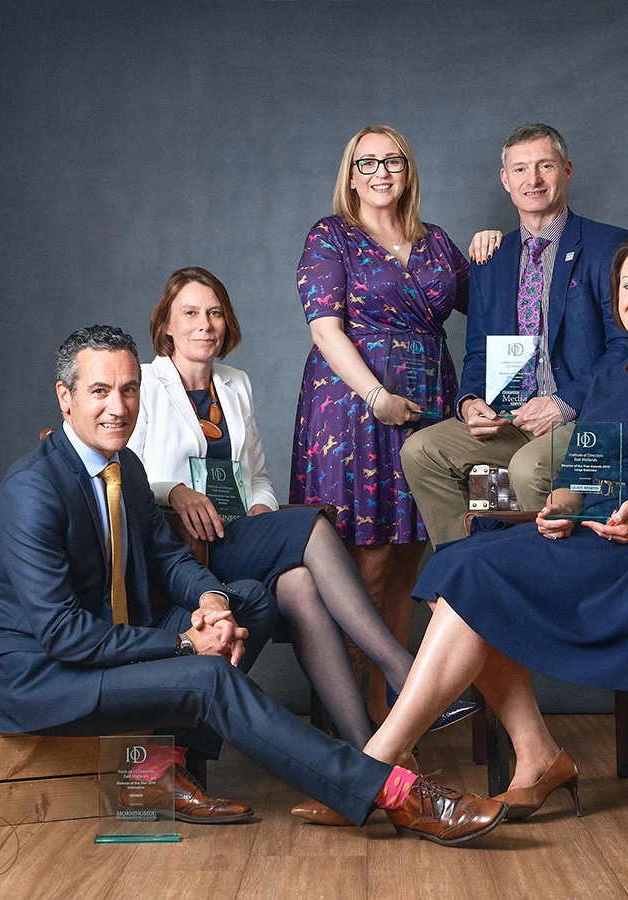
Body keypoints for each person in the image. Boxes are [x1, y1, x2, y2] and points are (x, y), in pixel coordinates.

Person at [0, 325, 507, 844]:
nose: (119, 406)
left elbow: (165, 558)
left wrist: (211, 602)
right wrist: (186, 642)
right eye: (99, 391)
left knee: (247, 600)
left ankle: (164, 767)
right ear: (65, 398)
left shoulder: (125, 469)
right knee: (209, 678)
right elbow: (64, 635)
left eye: (129, 389)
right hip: (43, 677)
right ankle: (394, 792)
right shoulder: (32, 492)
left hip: (108, 640)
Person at [358, 233, 628, 820]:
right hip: (585, 536)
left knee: (474, 575)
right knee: (461, 565)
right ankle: (531, 756)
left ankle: (375, 767)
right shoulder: (613, 372)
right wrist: (562, 506)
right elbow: (581, 467)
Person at [128, 267, 474, 756]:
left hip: (238, 533)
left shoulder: (235, 384)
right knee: (310, 523)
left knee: (302, 585)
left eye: (214, 313)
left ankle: (366, 757)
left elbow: (259, 477)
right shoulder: (143, 383)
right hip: (181, 547)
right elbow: (125, 474)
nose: (204, 324)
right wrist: (176, 491)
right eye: (190, 313)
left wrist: (264, 511)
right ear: (166, 325)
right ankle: (403, 670)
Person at [289, 125, 473, 719]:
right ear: (350, 173)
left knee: (407, 563)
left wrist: (500, 246)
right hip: (355, 408)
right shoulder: (330, 237)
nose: (379, 173)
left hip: (430, 403)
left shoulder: (437, 241)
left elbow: (495, 299)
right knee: (366, 565)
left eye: (391, 161)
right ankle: (352, 730)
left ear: (408, 170)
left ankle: (393, 722)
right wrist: (375, 396)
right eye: (365, 163)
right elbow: (325, 329)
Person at [401, 123, 628, 548]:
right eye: (521, 169)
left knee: (528, 469)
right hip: (512, 418)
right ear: (505, 180)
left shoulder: (609, 246)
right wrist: (470, 402)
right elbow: (478, 353)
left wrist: (565, 403)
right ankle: (466, 573)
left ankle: (540, 585)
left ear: (566, 170)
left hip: (586, 417)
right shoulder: (492, 258)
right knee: (421, 451)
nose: (534, 180)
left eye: (545, 166)